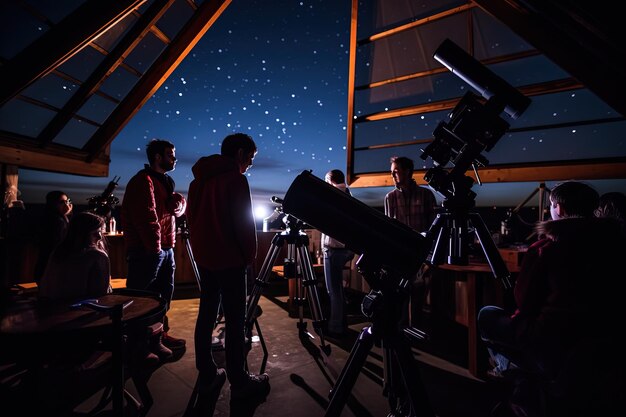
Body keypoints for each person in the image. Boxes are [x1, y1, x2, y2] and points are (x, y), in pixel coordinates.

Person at [478, 181, 626, 415]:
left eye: (551, 206)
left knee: (487, 315)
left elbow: (523, 301)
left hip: (551, 338)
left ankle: (513, 372)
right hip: (603, 336)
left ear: (560, 209)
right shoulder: (615, 242)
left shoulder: (544, 248)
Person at [187, 133, 270, 400]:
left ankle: (207, 373)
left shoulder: (197, 181)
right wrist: (249, 257)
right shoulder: (236, 180)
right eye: (251, 158)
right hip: (231, 261)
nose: (251, 164)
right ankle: (239, 380)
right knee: (236, 322)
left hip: (206, 259)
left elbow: (192, 219)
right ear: (240, 153)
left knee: (207, 314)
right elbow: (243, 225)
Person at [121, 139, 187, 358]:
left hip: (164, 248)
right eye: (170, 154)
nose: (174, 158)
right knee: (142, 299)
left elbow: (175, 211)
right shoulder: (143, 181)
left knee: (163, 297)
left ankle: (158, 335)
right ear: (157, 157)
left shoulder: (165, 181)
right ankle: (138, 345)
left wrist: (179, 203)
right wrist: (155, 249)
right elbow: (147, 218)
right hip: (147, 251)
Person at [384, 156, 437, 327]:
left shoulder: (426, 195)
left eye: (396, 172)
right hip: (399, 255)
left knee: (418, 294)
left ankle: (416, 329)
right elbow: (388, 228)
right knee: (400, 294)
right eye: (392, 172)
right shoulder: (390, 198)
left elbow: (433, 228)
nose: (393, 175)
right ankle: (402, 328)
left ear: (407, 172)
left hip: (420, 255)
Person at [38, 211, 111, 302]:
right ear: (82, 233)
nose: (100, 237)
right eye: (95, 232)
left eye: (100, 232)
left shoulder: (58, 252)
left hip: (49, 309)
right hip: (80, 311)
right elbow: (101, 294)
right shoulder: (98, 256)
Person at [321, 169, 355, 337]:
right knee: (338, 290)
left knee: (333, 290)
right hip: (344, 248)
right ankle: (341, 323)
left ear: (330, 180)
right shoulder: (348, 195)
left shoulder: (332, 195)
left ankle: (335, 327)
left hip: (334, 249)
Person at [34, 190, 73, 283]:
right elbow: (59, 244)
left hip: (45, 266)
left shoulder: (51, 217)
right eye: (61, 202)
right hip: (51, 266)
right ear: (53, 204)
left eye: (67, 201)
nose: (66, 205)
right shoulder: (57, 221)